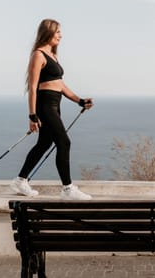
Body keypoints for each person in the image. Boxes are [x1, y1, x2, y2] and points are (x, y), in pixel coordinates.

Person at [11, 19, 94, 200]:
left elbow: (60, 85)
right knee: (64, 142)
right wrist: (32, 116)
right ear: (47, 32)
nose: (60, 35)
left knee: (44, 144)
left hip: (55, 105)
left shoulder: (53, 55)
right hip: (45, 106)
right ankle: (67, 189)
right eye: (57, 32)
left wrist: (79, 101)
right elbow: (33, 88)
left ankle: (20, 180)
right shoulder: (38, 55)